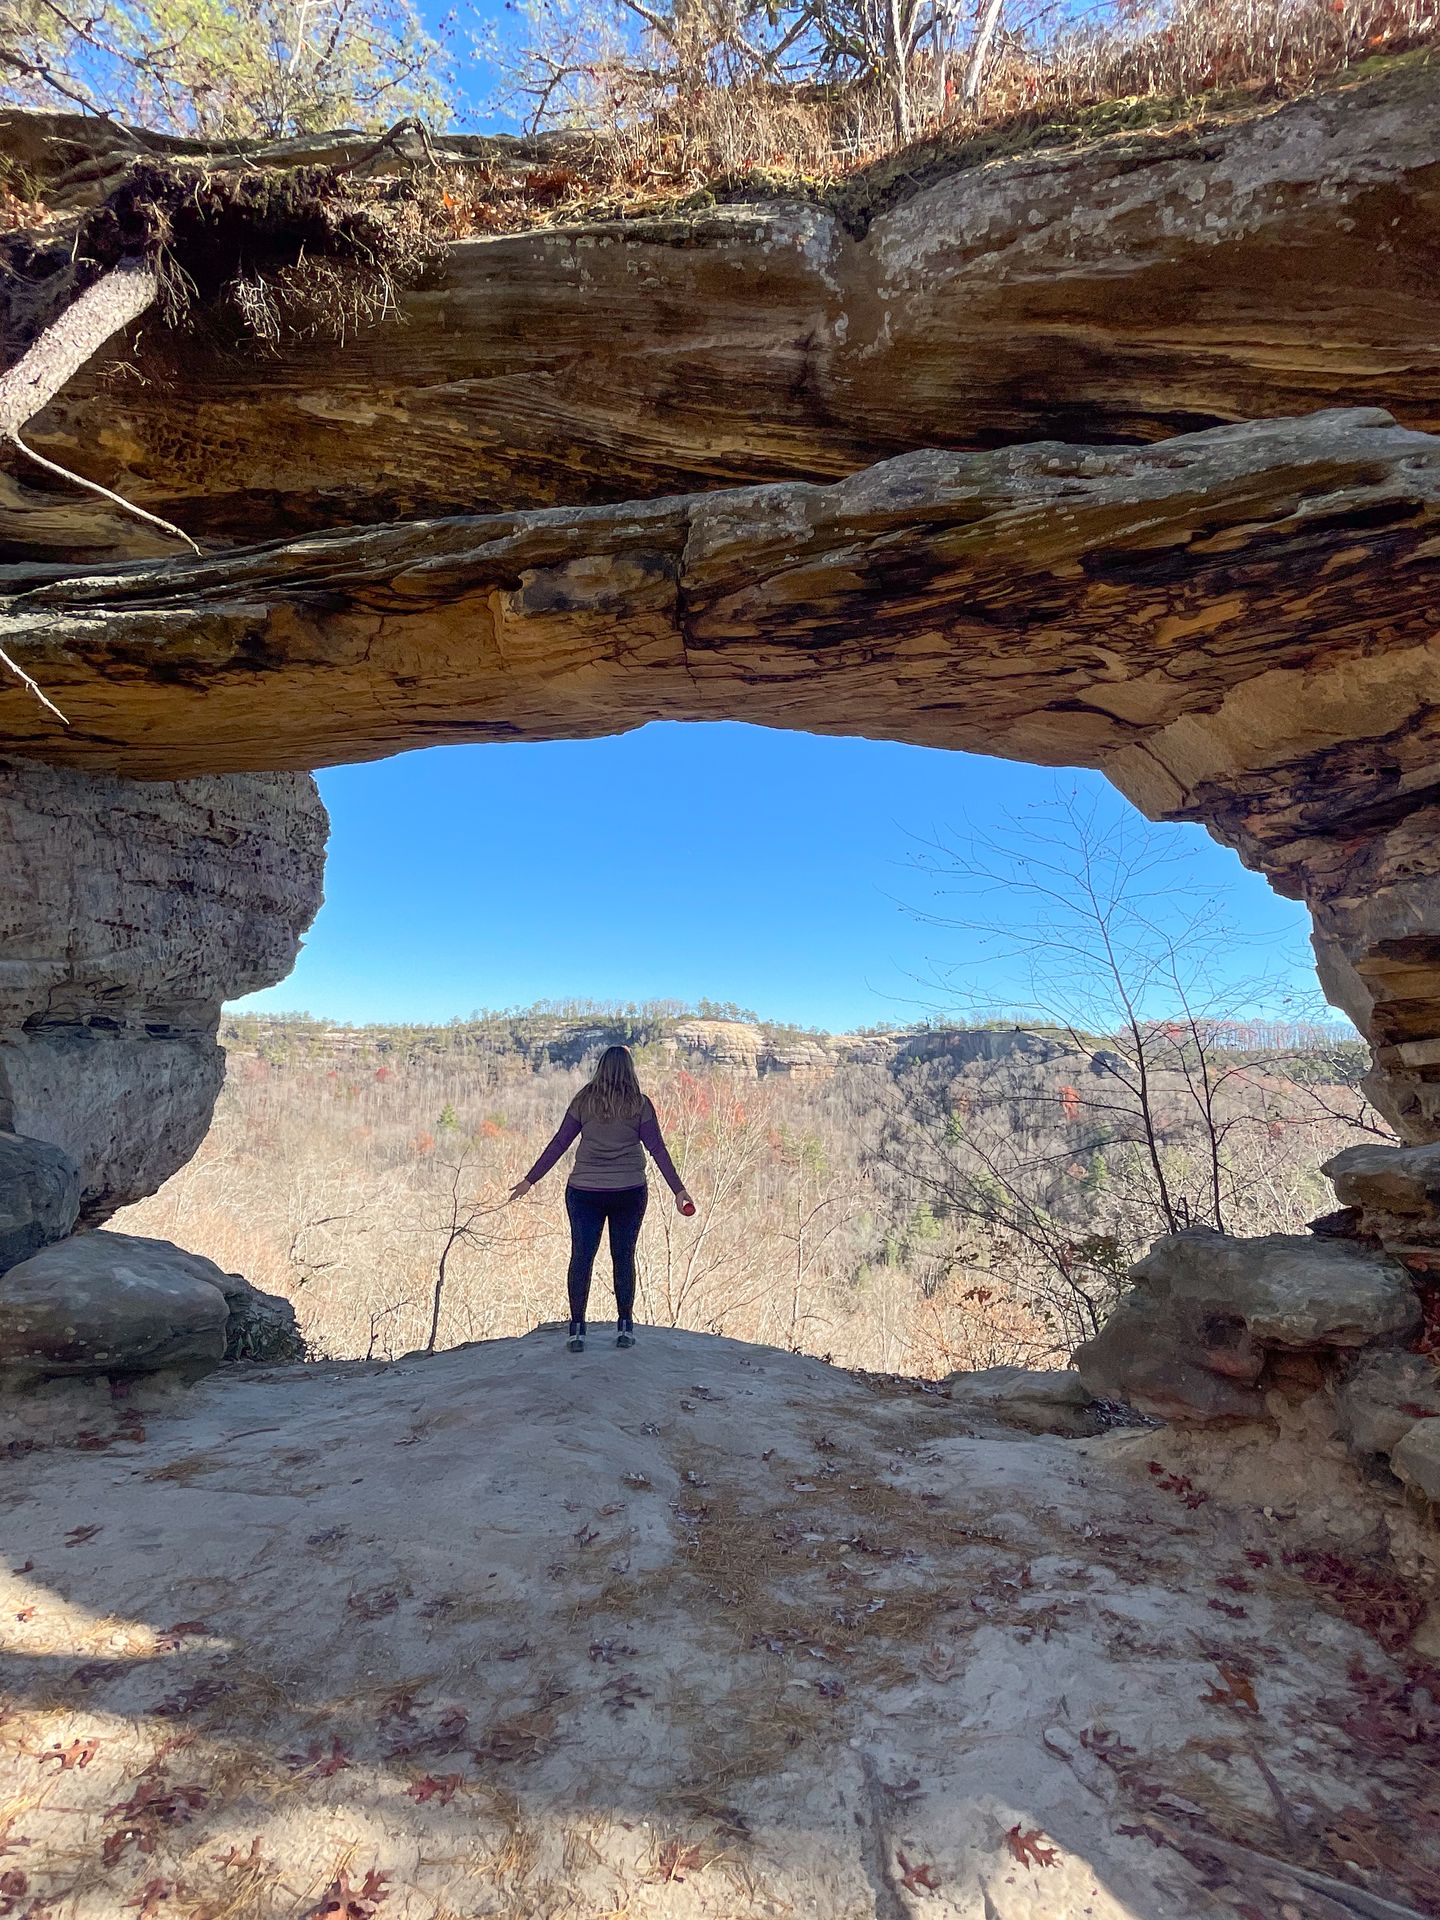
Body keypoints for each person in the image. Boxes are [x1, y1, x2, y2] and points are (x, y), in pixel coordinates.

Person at [509, 1046, 694, 1353]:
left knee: (582, 1256)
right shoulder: (640, 1104)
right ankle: (624, 1327)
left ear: (601, 1067)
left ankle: (577, 1330)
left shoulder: (584, 1101)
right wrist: (678, 1190)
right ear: (630, 1069)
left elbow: (559, 1144)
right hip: (629, 1191)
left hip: (584, 1192)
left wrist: (530, 1179)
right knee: (623, 1256)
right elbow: (658, 1150)